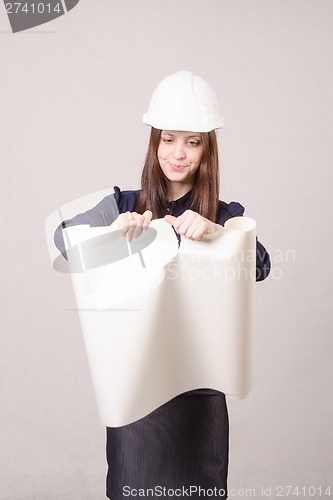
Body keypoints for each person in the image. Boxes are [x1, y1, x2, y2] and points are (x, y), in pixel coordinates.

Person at [54, 70, 270, 499]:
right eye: (168, 139)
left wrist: (217, 232)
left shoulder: (223, 214)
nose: (178, 154)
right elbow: (64, 240)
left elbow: (260, 264)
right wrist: (113, 231)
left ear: (207, 150)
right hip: (134, 391)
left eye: (192, 143)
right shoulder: (123, 203)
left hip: (198, 391)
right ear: (154, 141)